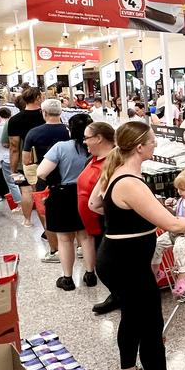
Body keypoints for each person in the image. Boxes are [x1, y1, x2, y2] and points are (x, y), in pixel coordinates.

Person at [89, 121, 185, 370]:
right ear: (139, 146)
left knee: (132, 318)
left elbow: (95, 203)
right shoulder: (130, 183)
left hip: (116, 258)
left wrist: (128, 218)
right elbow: (173, 223)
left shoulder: (114, 173)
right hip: (128, 265)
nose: (156, 145)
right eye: (152, 142)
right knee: (150, 327)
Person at [37, 114, 95, 291]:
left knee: (64, 239)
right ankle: (90, 274)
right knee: (86, 236)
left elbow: (41, 172)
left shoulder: (60, 147)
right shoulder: (93, 148)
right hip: (87, 194)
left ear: (69, 128)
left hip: (62, 195)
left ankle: (68, 278)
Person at [77, 122, 120, 314]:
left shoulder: (114, 162)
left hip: (107, 222)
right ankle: (117, 294)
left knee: (107, 266)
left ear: (99, 138)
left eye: (87, 138)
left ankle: (119, 295)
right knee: (104, 264)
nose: (84, 141)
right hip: (94, 224)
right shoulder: (92, 159)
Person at [24, 99, 70, 260]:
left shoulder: (34, 133)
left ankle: (54, 250)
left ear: (43, 113)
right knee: (72, 211)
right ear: (61, 112)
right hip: (69, 177)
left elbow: (26, 159)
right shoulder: (68, 130)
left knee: (46, 214)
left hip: (45, 178)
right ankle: (77, 246)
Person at [151, 168, 185, 296]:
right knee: (156, 243)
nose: (178, 192)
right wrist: (168, 207)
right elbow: (175, 214)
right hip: (177, 232)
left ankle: (182, 277)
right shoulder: (182, 200)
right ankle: (156, 272)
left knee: (179, 246)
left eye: (182, 189)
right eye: (178, 189)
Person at [8, 87, 45, 227]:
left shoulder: (15, 119)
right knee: (42, 190)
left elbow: (13, 146)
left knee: (26, 190)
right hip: (46, 158)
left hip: (25, 158)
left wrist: (13, 168)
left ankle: (27, 220)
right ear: (38, 98)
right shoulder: (45, 115)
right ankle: (47, 220)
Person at [0, 108, 21, 209]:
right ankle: (24, 200)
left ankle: (19, 204)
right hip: (17, 157)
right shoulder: (15, 125)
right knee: (18, 180)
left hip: (5, 158)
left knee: (11, 182)